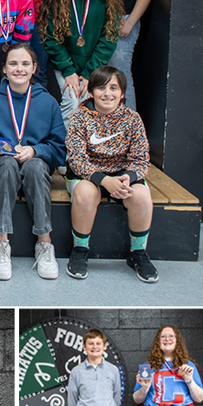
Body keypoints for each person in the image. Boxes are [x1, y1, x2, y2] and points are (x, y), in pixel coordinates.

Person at [64, 65, 158, 282]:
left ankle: (138, 253)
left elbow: (142, 159)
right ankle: (80, 250)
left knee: (142, 196)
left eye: (114, 88)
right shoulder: (79, 117)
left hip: (123, 175)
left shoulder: (132, 119)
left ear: (122, 93)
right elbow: (77, 160)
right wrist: (104, 180)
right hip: (88, 175)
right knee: (86, 195)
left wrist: (129, 178)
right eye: (101, 88)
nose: (107, 94)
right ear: (91, 92)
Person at [0, 43, 65, 281]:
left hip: (35, 165)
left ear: (34, 68)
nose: (19, 69)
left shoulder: (48, 102)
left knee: (36, 165)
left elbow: (60, 148)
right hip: (0, 165)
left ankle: (44, 243)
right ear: (4, 70)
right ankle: (1, 243)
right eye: (13, 64)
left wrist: (36, 149)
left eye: (25, 64)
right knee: (8, 165)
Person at [39, 0, 122, 124]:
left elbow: (108, 40)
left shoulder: (106, 0)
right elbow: (51, 40)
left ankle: (88, 148)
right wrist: (69, 71)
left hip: (92, 66)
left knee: (89, 105)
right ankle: (66, 151)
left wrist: (89, 72)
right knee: (71, 101)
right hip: (65, 65)